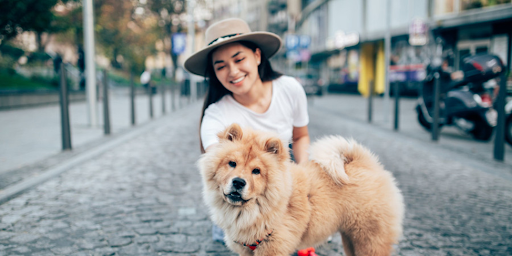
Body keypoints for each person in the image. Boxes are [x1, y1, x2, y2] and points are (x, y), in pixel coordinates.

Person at [184, 18, 312, 253]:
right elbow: (218, 163)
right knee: (236, 238)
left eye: (239, 59)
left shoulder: (289, 88)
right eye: (221, 66)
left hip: (279, 186)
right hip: (236, 197)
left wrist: (305, 178)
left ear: (257, 56)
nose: (233, 71)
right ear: (214, 72)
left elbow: (301, 136)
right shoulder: (216, 115)